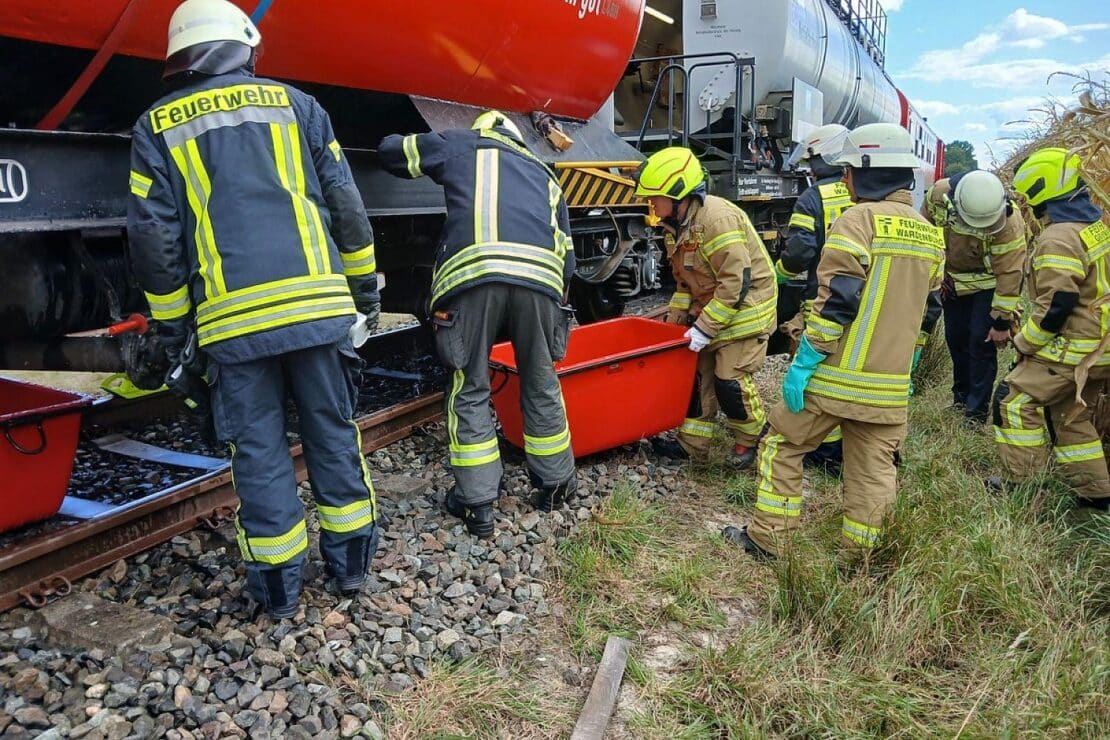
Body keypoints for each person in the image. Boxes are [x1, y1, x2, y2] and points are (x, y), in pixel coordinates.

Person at [127, 0, 381, 618]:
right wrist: (365, 288)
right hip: (319, 310)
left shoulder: (156, 126)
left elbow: (153, 237)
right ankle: (350, 571)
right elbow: (346, 205)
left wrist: (172, 324)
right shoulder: (298, 106)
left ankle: (279, 590)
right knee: (332, 433)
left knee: (260, 452)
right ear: (243, 46)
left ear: (180, 59)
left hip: (233, 325)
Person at [727, 123, 945, 559]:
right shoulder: (928, 233)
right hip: (889, 388)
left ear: (863, 172)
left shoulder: (857, 220)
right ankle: (863, 555)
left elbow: (839, 299)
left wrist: (807, 359)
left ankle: (768, 540)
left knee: (781, 446)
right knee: (872, 470)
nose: (844, 179)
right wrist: (910, 367)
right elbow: (931, 311)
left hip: (834, 378)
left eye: (847, 170)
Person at [377, 111, 576, 537]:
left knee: (469, 388)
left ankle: (478, 504)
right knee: (541, 381)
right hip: (541, 284)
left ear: (482, 131)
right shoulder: (545, 174)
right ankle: (555, 485)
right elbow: (569, 256)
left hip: (472, 280)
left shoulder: (461, 144)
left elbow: (395, 154)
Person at [639, 147, 778, 467]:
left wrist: (703, 328)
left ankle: (752, 439)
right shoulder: (674, 230)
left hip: (747, 308)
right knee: (696, 378)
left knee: (728, 380)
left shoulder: (718, 220)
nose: (652, 206)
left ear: (678, 195)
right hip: (714, 309)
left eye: (655, 198)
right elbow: (685, 284)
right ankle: (693, 446)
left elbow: (735, 284)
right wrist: (674, 325)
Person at [990, 147, 1109, 511]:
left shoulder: (1058, 236)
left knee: (1012, 401)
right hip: (1100, 350)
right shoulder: (1097, 228)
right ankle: (1095, 492)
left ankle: (1024, 487)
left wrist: (1025, 342)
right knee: (1070, 415)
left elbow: (1058, 303)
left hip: (1076, 348)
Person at [775, 124, 854, 469]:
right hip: (862, 297)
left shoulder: (813, 198)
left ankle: (825, 450)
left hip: (822, 297)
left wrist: (780, 272)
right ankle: (848, 444)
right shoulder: (861, 192)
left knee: (818, 374)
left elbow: (800, 251)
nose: (809, 167)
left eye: (812, 159)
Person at [923, 170, 1026, 424]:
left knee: (980, 345)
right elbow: (923, 228)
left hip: (988, 286)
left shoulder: (1009, 222)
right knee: (956, 340)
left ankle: (975, 414)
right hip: (952, 283)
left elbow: (1010, 273)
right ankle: (960, 399)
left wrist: (1001, 322)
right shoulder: (938, 195)